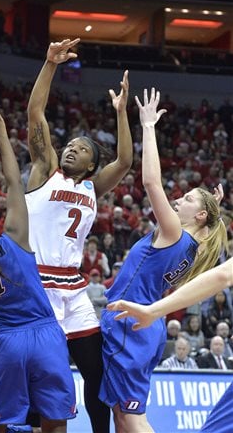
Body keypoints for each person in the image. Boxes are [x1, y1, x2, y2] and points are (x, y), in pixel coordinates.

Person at [99, 88, 228, 433]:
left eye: (185, 199)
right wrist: (212, 205)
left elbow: (151, 181)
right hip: (146, 325)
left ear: (199, 215)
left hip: (131, 320)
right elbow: (210, 227)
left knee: (131, 418)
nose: (177, 200)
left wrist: (148, 126)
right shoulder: (196, 246)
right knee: (122, 417)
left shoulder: (173, 232)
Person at [25, 38, 132, 433]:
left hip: (73, 286)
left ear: (92, 165)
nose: (70, 150)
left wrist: (121, 112)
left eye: (81, 148)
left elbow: (125, 160)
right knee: (44, 371)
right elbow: (36, 112)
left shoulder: (93, 187)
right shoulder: (45, 168)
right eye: (69, 145)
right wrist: (50, 63)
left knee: (95, 370)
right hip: (39, 282)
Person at [0, 100, 76, 432]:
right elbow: (13, 183)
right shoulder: (16, 239)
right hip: (45, 335)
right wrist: (3, 137)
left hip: (6, 343)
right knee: (54, 422)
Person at [107, 257, 233, 433]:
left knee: (130, 418)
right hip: (141, 322)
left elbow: (222, 275)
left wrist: (154, 310)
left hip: (137, 320)